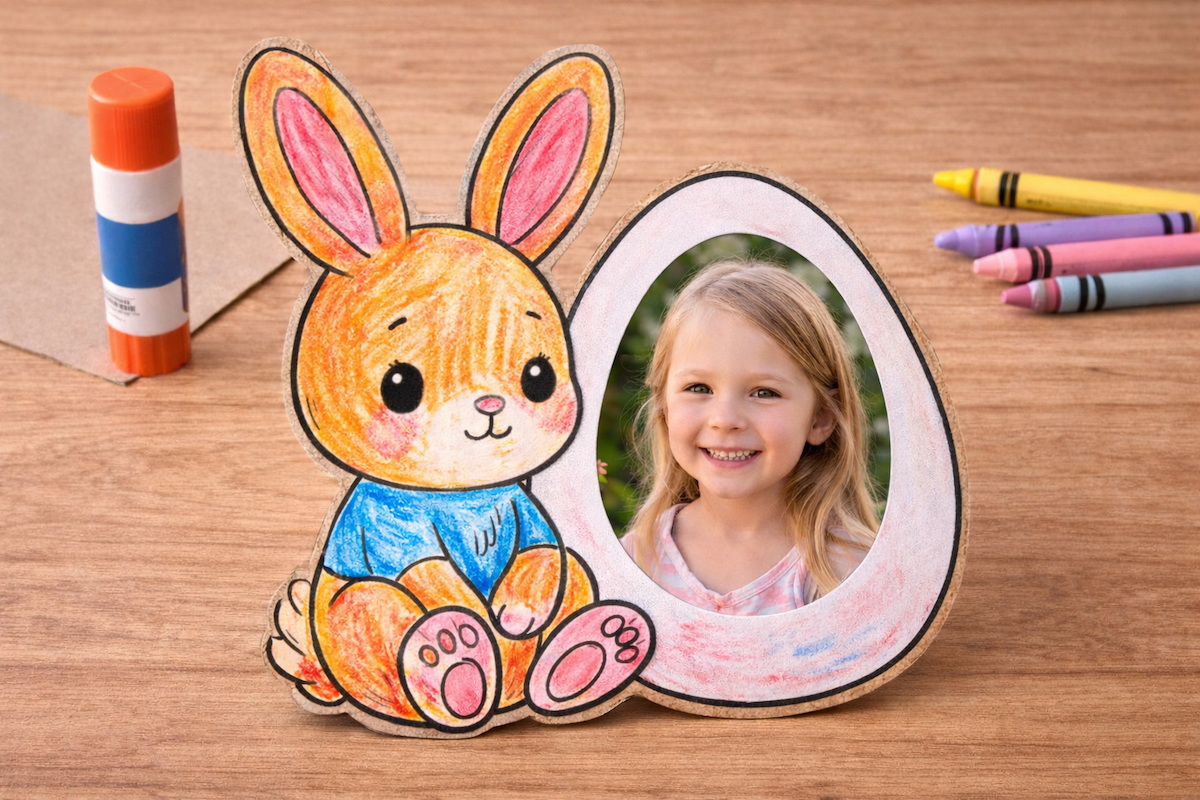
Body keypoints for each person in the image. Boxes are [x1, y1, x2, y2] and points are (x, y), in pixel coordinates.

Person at [621, 259, 879, 614]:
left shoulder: (852, 574)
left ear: (820, 418)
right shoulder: (629, 566)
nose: (726, 420)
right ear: (663, 405)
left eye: (764, 392)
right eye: (699, 388)